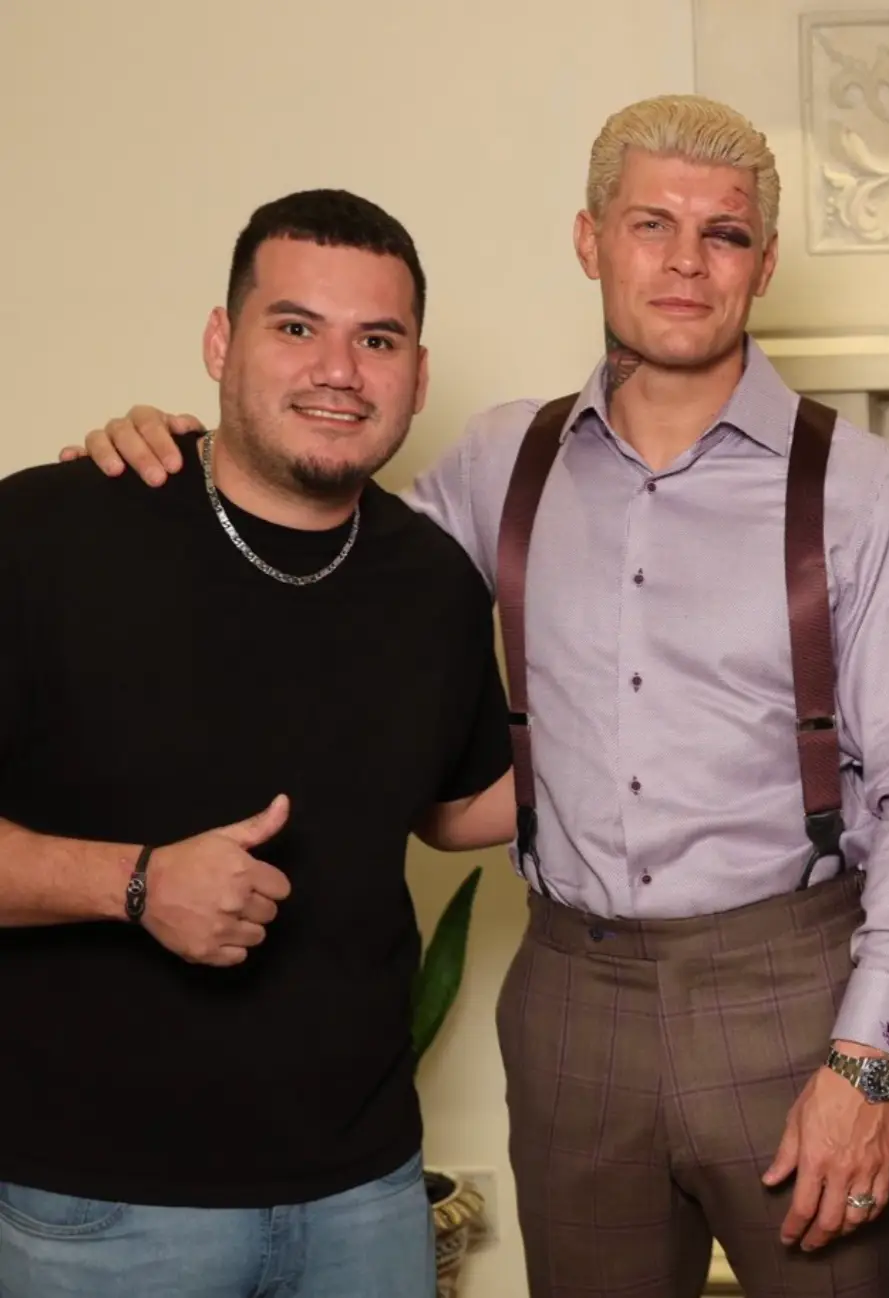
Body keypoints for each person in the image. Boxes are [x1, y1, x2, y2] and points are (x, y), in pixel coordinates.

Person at [62, 95, 889, 1298]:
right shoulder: (496, 465)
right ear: (588, 239)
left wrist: (867, 1061)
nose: (682, 261)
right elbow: (313, 543)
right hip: (569, 1000)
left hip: (793, 992)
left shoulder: (864, 492)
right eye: (649, 222)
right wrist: (164, 454)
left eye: (722, 233)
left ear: (762, 262)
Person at [0, 190, 515, 1298]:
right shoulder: (48, 532)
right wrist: (133, 883)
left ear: (416, 376)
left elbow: (459, 803)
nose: (338, 368)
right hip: (101, 1210)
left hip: (366, 1200)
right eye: (295, 327)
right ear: (220, 342)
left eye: (375, 339)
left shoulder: (433, 584)